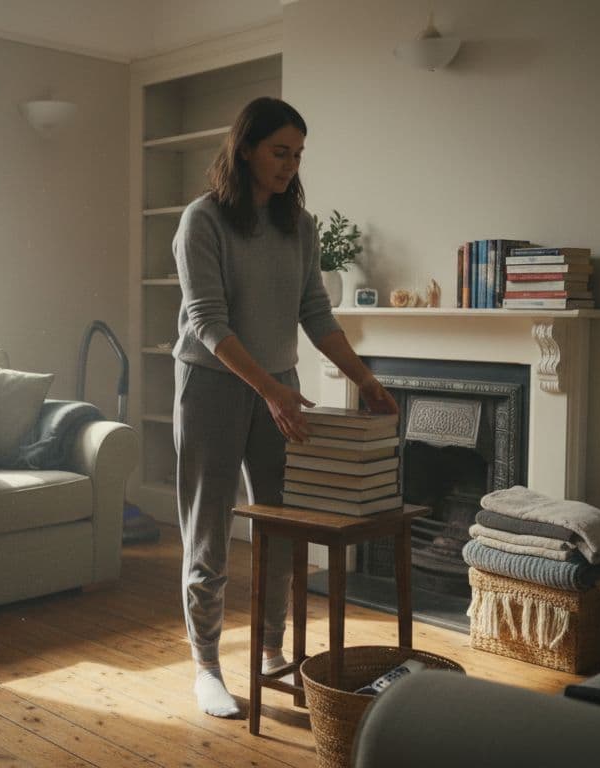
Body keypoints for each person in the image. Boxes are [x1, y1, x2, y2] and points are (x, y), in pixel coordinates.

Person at [172, 96, 399, 718]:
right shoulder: (202, 221)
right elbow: (208, 324)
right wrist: (270, 391)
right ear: (245, 148)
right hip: (214, 388)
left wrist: (366, 381)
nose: (290, 164)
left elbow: (315, 314)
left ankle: (272, 651)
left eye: (298, 154)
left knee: (281, 528)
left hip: (281, 388)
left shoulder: (300, 227)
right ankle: (207, 665)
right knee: (210, 527)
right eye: (280, 151)